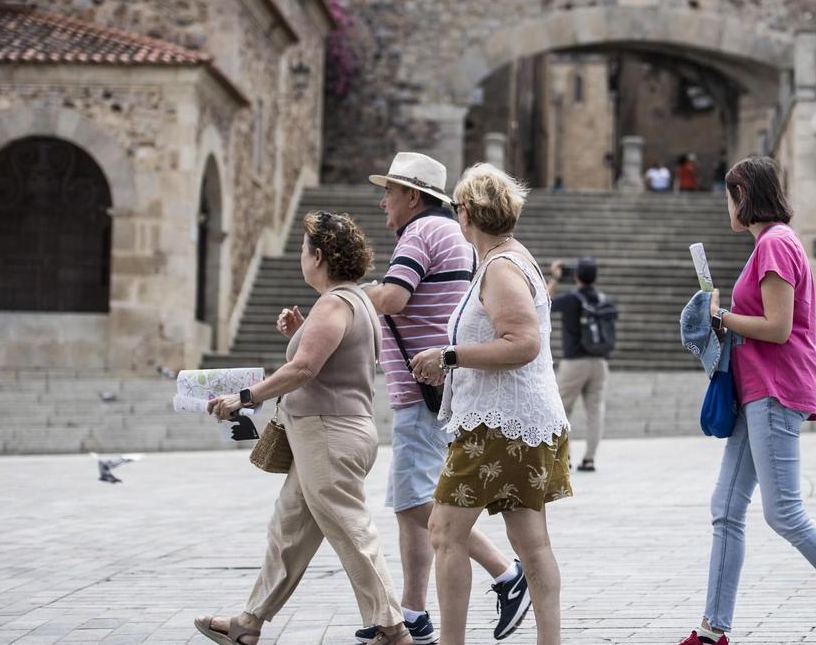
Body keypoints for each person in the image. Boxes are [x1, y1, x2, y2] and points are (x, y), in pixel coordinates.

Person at [678, 156, 816, 645]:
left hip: (775, 389)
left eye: (731, 196)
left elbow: (778, 327)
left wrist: (722, 316)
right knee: (726, 507)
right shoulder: (772, 245)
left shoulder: (774, 245)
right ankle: (713, 631)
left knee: (784, 512)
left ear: (744, 196)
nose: (727, 206)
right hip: (758, 391)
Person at [197, 211, 410, 645]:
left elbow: (305, 368)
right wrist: (301, 330)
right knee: (289, 529)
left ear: (318, 256)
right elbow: (333, 358)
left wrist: (245, 397)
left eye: (302, 249)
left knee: (350, 528)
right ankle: (249, 622)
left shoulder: (335, 303)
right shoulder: (355, 301)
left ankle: (391, 627)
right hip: (335, 432)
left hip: (328, 434)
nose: (300, 256)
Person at [362, 152, 527, 643]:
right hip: (432, 387)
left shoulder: (420, 233)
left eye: (389, 191)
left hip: (423, 388)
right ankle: (413, 613)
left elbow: (394, 298)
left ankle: (506, 574)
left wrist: (343, 295)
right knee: (413, 502)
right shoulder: (446, 233)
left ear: (413, 196)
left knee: (415, 502)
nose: (382, 201)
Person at [409, 163, 571, 645]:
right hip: (524, 421)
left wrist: (449, 356)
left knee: (444, 531)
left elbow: (522, 343)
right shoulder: (510, 258)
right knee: (531, 542)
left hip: (498, 426)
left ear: (466, 215)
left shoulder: (500, 267)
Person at [546, 256, 613, 472]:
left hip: (574, 362)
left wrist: (555, 278)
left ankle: (565, 458)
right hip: (600, 362)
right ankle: (590, 459)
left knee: (563, 409)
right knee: (595, 411)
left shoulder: (571, 299)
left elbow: (544, 303)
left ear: (575, 276)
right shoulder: (603, 299)